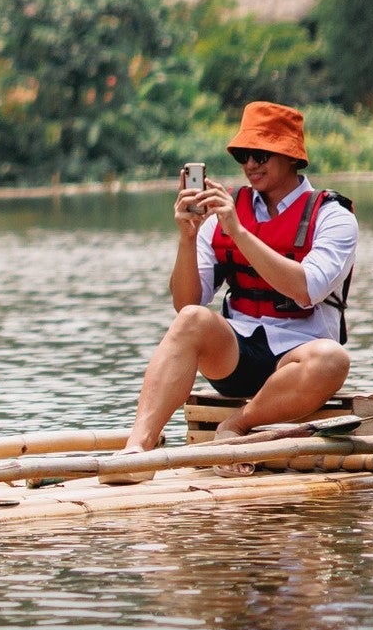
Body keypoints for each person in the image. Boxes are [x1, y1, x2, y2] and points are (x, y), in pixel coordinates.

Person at [114, 101, 357, 479]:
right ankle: (138, 449)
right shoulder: (222, 213)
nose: (250, 165)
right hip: (236, 355)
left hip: (296, 360)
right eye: (244, 155)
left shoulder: (333, 216)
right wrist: (187, 238)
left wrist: (238, 232)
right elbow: (186, 303)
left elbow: (306, 289)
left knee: (333, 359)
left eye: (261, 154)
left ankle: (238, 426)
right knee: (193, 319)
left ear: (292, 158)